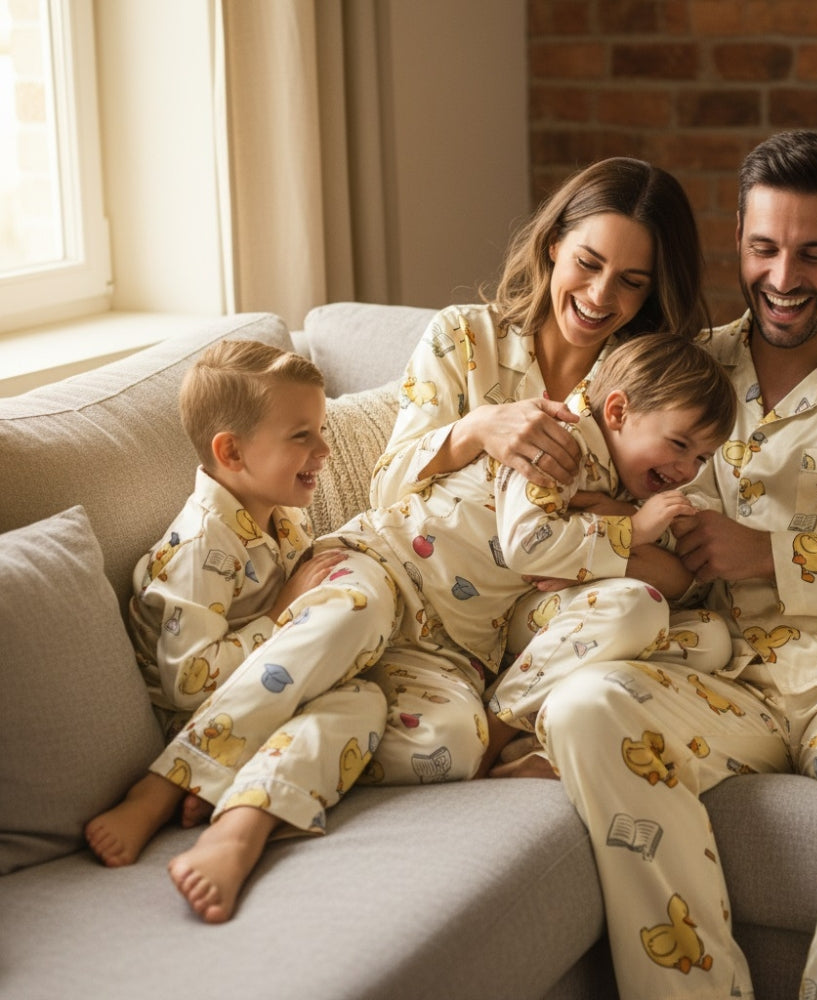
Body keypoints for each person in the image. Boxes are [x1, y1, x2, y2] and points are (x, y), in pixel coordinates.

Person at [532, 131, 817, 1000]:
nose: (784, 277)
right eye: (763, 248)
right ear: (739, 238)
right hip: (713, 670)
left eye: (814, 252)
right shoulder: (684, 363)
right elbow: (581, 459)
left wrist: (770, 554)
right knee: (585, 705)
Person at [85, 332, 736, 925]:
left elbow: (668, 582)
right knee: (353, 612)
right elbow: (529, 543)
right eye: (681, 445)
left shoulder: (279, 521)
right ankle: (168, 782)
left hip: (444, 644)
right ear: (618, 410)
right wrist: (629, 527)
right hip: (381, 569)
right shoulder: (555, 442)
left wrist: (627, 518)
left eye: (701, 457)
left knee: (444, 738)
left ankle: (247, 810)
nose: (687, 468)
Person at [372, 156, 730, 775]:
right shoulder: (463, 339)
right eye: (588, 264)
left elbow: (683, 573)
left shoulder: (656, 384)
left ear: (652, 291)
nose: (599, 297)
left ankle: (520, 726)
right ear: (554, 243)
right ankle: (514, 737)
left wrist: (604, 526)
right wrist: (477, 428)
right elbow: (387, 490)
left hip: (555, 620)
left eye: (631, 281)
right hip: (455, 595)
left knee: (708, 640)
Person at [86, 339, 346, 849]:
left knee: (364, 701)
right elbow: (188, 681)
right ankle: (163, 788)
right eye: (302, 436)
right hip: (198, 718)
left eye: (321, 431)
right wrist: (278, 613)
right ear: (231, 451)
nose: (323, 450)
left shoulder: (285, 514)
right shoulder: (204, 546)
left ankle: (242, 792)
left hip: (271, 683)